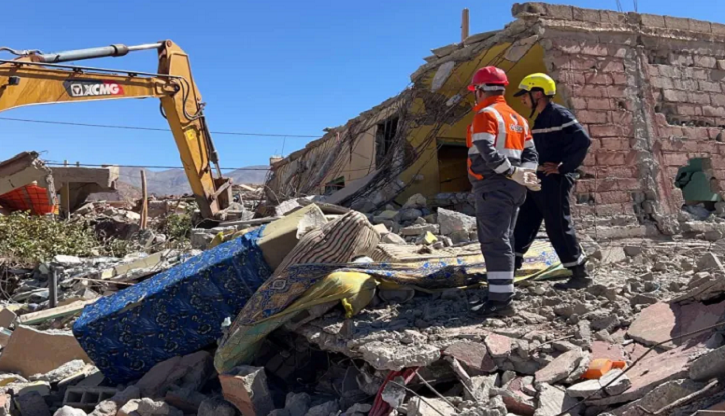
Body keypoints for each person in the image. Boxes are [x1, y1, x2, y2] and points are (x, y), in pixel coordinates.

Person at [465, 66, 540, 317]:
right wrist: (525, 174)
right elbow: (531, 153)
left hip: (493, 185)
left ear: (480, 90)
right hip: (515, 187)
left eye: (475, 90)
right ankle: (503, 291)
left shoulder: (485, 114)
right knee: (505, 239)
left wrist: (508, 171)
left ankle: (500, 301)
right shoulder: (519, 119)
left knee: (495, 242)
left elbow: (486, 148)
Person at [512, 73, 592, 289]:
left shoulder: (558, 114)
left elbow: (583, 140)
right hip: (538, 179)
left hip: (553, 180)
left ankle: (579, 273)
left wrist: (563, 167)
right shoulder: (541, 117)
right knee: (525, 220)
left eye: (524, 95)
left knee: (557, 225)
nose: (522, 99)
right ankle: (510, 266)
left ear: (537, 93)